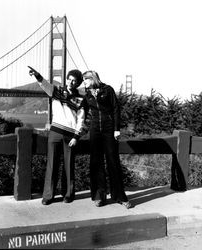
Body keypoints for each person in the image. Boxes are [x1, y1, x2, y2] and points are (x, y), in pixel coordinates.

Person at [28, 66, 85, 205]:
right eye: (69, 79)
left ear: (78, 83)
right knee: (52, 165)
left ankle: (68, 194)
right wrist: (37, 76)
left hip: (70, 135)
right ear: (66, 79)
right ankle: (48, 196)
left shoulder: (81, 99)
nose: (71, 82)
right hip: (55, 132)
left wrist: (76, 137)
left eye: (74, 81)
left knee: (69, 165)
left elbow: (81, 119)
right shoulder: (57, 91)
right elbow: (45, 85)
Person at [81, 70, 131, 208]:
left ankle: (120, 196)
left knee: (113, 162)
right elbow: (80, 111)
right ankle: (99, 196)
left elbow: (116, 109)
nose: (83, 82)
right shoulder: (87, 94)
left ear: (92, 79)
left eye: (85, 79)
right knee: (96, 163)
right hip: (95, 130)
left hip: (109, 129)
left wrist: (116, 129)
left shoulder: (107, 90)